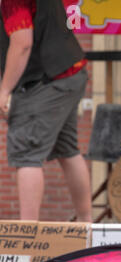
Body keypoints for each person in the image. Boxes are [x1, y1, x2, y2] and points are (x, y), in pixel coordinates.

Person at [0, 0, 92, 222]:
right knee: (68, 149)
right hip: (69, 73)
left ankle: (28, 238)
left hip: (47, 82)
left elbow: (22, 43)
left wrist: (4, 90)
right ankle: (86, 227)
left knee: (26, 154)